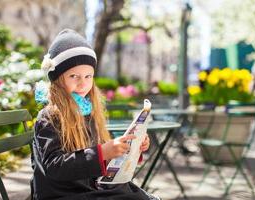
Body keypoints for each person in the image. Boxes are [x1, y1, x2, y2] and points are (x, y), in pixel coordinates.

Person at [31, 29, 160, 200]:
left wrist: (129, 149)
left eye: (88, 76)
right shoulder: (49, 116)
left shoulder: (87, 112)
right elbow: (55, 167)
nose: (83, 83)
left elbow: (93, 160)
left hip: (85, 187)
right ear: (58, 79)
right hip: (61, 193)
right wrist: (102, 153)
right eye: (73, 76)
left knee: (133, 192)